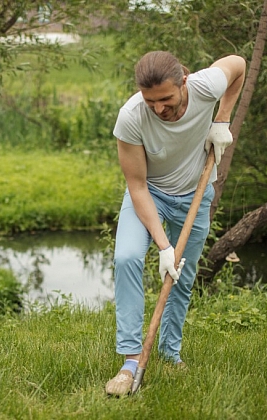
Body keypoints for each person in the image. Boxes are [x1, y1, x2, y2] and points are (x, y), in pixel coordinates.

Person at [105, 51, 246, 396]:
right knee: (127, 258)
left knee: (181, 277)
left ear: (184, 82)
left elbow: (238, 65)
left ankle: (170, 352)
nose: (158, 108)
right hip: (149, 195)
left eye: (165, 98)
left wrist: (222, 120)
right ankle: (130, 362)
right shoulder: (131, 117)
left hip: (194, 197)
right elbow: (137, 187)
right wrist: (163, 245)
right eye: (150, 100)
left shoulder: (205, 86)